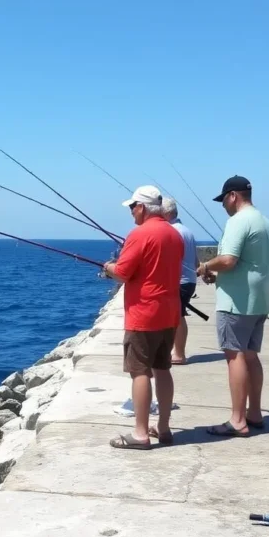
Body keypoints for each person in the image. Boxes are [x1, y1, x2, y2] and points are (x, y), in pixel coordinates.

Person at [103, 185, 183, 449]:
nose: (131, 212)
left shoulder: (139, 234)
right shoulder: (174, 234)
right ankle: (164, 427)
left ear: (142, 207)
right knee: (163, 369)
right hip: (169, 312)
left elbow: (123, 272)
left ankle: (140, 434)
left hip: (144, 314)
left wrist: (108, 267)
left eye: (132, 207)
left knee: (139, 372)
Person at [196, 176, 269, 437]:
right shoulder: (265, 222)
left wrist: (206, 266)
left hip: (236, 302)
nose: (223, 206)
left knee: (234, 355)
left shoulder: (237, 221)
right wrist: (218, 277)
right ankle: (255, 412)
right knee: (251, 355)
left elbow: (229, 259)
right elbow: (247, 264)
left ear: (233, 196)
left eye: (223, 200)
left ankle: (237, 419)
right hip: (259, 299)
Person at [162, 197, 199, 365]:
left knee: (177, 317)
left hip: (180, 281)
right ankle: (177, 352)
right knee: (177, 315)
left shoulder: (172, 232)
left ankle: (179, 354)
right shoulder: (187, 230)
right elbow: (196, 260)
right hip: (189, 280)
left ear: (168, 213)